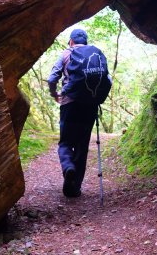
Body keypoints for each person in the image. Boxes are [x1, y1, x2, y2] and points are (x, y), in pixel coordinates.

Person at [47, 28, 109, 197]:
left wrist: (55, 94)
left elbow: (52, 78)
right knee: (82, 146)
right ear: (86, 42)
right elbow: (107, 80)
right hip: (90, 106)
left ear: (71, 41)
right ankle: (74, 188)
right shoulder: (95, 55)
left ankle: (68, 167)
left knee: (65, 142)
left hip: (69, 105)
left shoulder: (66, 54)